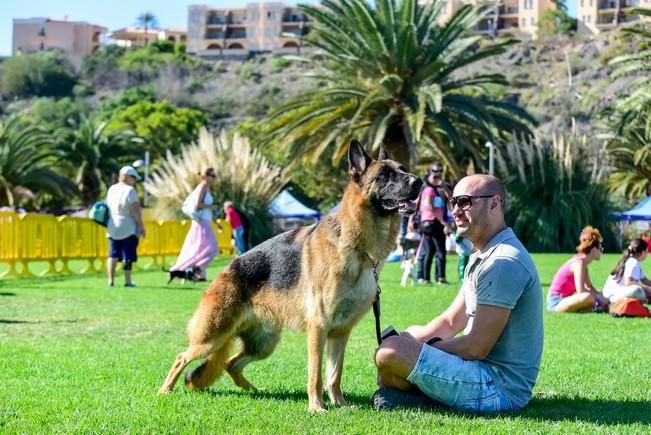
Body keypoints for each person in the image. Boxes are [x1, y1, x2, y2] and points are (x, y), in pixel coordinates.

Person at [374, 174, 543, 413]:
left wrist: (410, 350)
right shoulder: (484, 255)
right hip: (480, 372)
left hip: (498, 387)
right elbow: (451, 321)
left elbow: (477, 347)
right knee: (405, 337)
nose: (455, 210)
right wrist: (411, 340)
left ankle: (423, 398)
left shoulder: (504, 262)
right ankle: (420, 393)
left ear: (494, 203)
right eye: (452, 202)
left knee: (391, 353)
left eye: (464, 202)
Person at [169, 168, 222, 282]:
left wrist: (216, 223)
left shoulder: (206, 188)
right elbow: (198, 205)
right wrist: (212, 207)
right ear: (205, 176)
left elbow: (207, 210)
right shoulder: (203, 186)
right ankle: (194, 269)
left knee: (200, 249)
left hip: (204, 222)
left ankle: (199, 273)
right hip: (201, 223)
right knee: (212, 248)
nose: (214, 178)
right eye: (212, 175)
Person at [546, 226, 610, 313]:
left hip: (565, 299)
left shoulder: (583, 262)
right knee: (587, 297)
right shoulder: (579, 263)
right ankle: (597, 307)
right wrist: (599, 299)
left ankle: (597, 308)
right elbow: (581, 291)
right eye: (600, 248)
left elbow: (589, 287)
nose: (602, 252)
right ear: (594, 249)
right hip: (556, 302)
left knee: (598, 293)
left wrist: (602, 297)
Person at [411, 163, 452, 285]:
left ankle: (426, 278)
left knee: (429, 251)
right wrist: (443, 222)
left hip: (428, 223)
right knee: (440, 251)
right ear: (428, 176)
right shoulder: (429, 189)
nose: (437, 178)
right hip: (433, 223)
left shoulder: (434, 189)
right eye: (434, 176)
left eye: (439, 174)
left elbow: (451, 198)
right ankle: (440, 278)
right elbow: (429, 206)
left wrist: (443, 185)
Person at [105, 166, 145, 288]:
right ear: (127, 177)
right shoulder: (130, 190)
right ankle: (127, 281)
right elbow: (135, 210)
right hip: (127, 225)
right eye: (133, 177)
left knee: (113, 254)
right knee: (128, 254)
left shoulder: (111, 188)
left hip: (112, 224)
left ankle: (110, 281)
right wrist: (141, 226)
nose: (134, 180)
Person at [603, 238, 651, 303]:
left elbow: (645, 280)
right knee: (638, 290)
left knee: (641, 290)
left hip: (612, 294)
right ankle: (645, 300)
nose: (647, 254)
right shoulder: (633, 262)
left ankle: (645, 299)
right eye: (646, 251)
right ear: (642, 252)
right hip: (612, 296)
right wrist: (646, 288)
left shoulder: (632, 260)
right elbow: (629, 282)